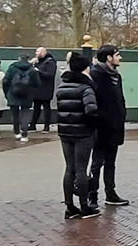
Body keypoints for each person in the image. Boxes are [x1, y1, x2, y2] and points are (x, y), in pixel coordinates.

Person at [56, 53, 102, 218]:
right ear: (84, 68)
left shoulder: (61, 86)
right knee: (82, 168)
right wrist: (93, 124)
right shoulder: (86, 88)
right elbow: (91, 110)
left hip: (65, 132)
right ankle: (84, 207)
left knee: (70, 168)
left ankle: (70, 206)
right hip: (83, 133)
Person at [89, 45, 130, 206]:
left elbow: (119, 98)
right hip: (101, 128)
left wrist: (121, 115)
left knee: (111, 162)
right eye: (117, 55)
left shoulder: (116, 77)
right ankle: (92, 195)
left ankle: (110, 193)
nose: (120, 58)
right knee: (97, 163)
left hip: (115, 127)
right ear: (108, 58)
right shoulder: (96, 75)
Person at [3, 54, 39, 142]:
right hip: (27, 95)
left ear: (19, 59)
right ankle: (24, 134)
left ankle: (16, 133)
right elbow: (37, 84)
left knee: (15, 115)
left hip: (13, 94)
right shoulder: (32, 70)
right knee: (25, 114)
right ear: (28, 59)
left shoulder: (12, 68)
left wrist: (7, 93)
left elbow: (5, 81)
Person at [32, 47, 58, 133]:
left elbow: (50, 75)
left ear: (43, 53)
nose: (36, 53)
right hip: (37, 88)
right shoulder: (38, 62)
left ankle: (47, 126)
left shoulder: (50, 62)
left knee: (46, 107)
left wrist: (38, 71)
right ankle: (33, 125)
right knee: (36, 107)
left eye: (37, 51)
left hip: (46, 88)